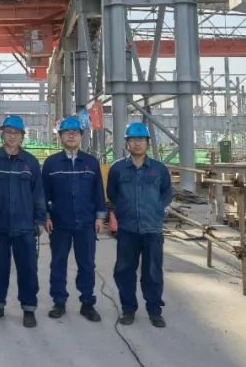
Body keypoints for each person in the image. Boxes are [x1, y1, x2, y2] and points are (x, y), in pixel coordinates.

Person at [0, 115, 45, 328]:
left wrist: (39, 220)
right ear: (2, 134)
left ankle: (29, 308)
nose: (12, 136)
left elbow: (38, 193)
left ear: (22, 136)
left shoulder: (30, 162)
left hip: (25, 226)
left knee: (28, 269)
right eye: (8, 132)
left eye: (16, 133)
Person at [108, 121, 173, 328]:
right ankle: (128, 309)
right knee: (124, 270)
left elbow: (167, 193)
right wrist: (124, 210)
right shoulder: (118, 169)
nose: (137, 143)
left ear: (147, 143)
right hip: (127, 229)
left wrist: (156, 209)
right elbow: (112, 194)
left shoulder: (159, 169)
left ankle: (154, 310)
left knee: (152, 271)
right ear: (127, 143)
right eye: (133, 140)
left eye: (141, 140)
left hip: (152, 228)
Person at [42, 116, 106, 322]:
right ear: (60, 137)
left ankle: (87, 303)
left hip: (86, 222)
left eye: (75, 133)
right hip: (59, 222)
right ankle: (59, 301)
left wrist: (100, 217)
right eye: (66, 133)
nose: (71, 136)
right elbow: (44, 193)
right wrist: (46, 215)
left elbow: (98, 192)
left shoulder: (91, 162)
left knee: (86, 264)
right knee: (58, 262)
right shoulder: (51, 163)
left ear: (81, 136)